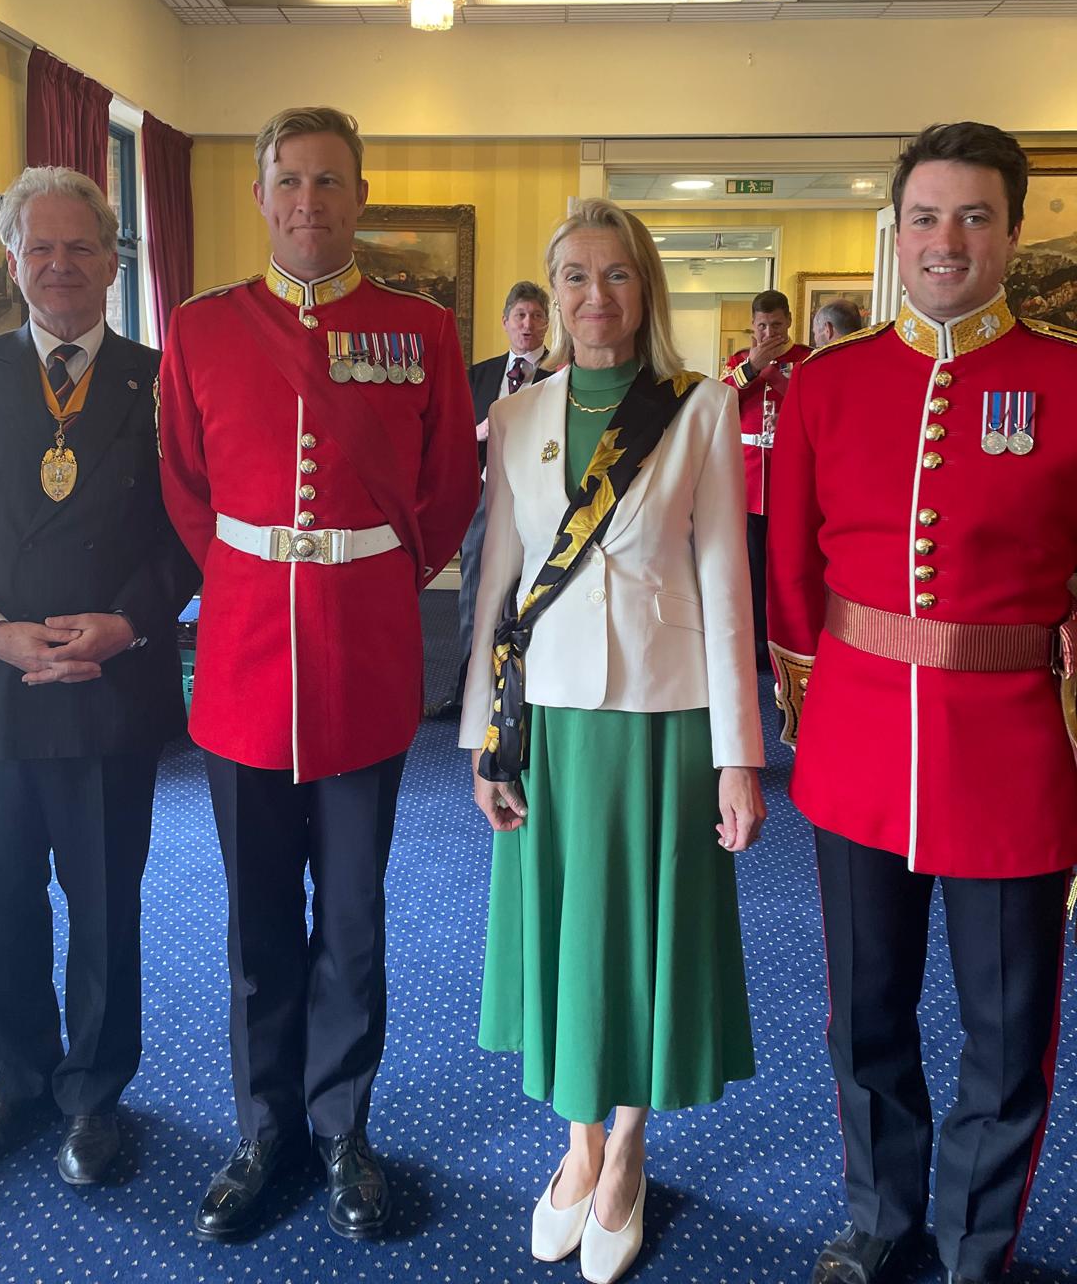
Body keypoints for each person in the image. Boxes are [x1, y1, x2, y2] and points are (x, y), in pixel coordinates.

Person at [158, 106, 477, 1243]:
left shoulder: (417, 328)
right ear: (261, 197)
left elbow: (448, 492)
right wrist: (255, 579)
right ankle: (266, 1129)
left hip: (364, 655)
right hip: (244, 664)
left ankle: (343, 1124)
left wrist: (370, 576)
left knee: (352, 915)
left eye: (330, 182)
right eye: (289, 181)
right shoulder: (202, 328)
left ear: (359, 195)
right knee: (254, 920)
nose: (309, 201)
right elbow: (189, 490)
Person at [767, 121, 1077, 1284]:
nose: (947, 239)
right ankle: (882, 1220)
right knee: (866, 1018)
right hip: (855, 743)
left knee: (1007, 1036)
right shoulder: (827, 384)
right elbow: (791, 578)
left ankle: (975, 1245)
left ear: (1012, 229)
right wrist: (809, 714)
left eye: (975, 215)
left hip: (1012, 753)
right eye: (927, 216)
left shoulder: (1067, 379)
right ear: (897, 231)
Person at [460, 198, 765, 1284]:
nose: (597, 299)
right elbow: (499, 583)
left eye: (619, 276)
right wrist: (484, 742)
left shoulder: (700, 410)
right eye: (576, 278)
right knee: (563, 936)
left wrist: (740, 752)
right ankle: (577, 1139)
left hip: (663, 714)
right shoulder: (520, 412)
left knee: (641, 935)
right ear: (549, 296)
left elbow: (728, 586)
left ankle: (627, 1142)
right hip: (547, 719)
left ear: (647, 290)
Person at [0, 166, 196, 1187]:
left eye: (81, 247)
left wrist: (125, 622)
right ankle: (14, 1082)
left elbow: (190, 535)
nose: (60, 265)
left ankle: (94, 1095)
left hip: (109, 687)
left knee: (106, 906)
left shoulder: (163, 382)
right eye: (40, 248)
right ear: (14, 260)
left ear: (113, 260)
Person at [426, 280, 552, 719]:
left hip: (539, 504)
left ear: (547, 324)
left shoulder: (562, 381)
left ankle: (525, 695)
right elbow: (443, 437)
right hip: (483, 499)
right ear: (505, 322)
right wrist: (475, 433)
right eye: (520, 315)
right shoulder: (478, 376)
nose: (528, 324)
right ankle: (470, 694)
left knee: (532, 598)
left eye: (537, 316)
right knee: (475, 596)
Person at [721, 290, 811, 667]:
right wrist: (753, 367)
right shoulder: (740, 361)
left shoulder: (806, 358)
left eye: (776, 324)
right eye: (761, 326)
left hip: (789, 479)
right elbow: (717, 400)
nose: (768, 332)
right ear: (752, 325)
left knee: (789, 566)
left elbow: (812, 402)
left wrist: (774, 372)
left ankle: (789, 639)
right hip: (748, 483)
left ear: (788, 321)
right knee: (750, 568)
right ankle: (757, 644)